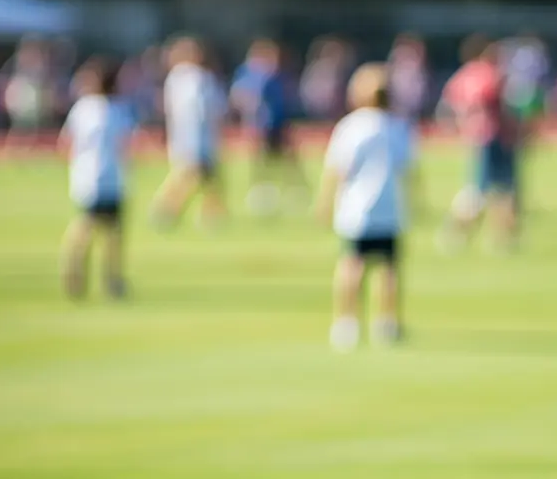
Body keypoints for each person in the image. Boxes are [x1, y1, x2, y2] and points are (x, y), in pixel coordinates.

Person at [316, 63, 417, 352]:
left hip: (356, 208)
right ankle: (387, 323)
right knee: (388, 268)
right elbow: (406, 168)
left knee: (352, 264)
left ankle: (347, 322)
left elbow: (337, 170)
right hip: (388, 207)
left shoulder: (351, 126)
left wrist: (325, 204)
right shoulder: (397, 126)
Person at [58, 59, 136, 301]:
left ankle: (75, 271)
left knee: (86, 225)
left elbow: (65, 143)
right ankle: (112, 279)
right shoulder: (117, 110)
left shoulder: (82, 108)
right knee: (112, 232)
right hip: (111, 176)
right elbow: (126, 143)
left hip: (85, 176)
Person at [437, 36, 521, 254]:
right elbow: (496, 105)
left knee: (487, 190)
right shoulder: (490, 75)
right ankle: (494, 238)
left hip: (477, 136)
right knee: (496, 190)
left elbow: (448, 105)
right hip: (494, 137)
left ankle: (495, 238)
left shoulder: (463, 75)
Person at [151, 38, 228, 230]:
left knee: (208, 179)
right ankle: (165, 210)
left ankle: (211, 216)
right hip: (197, 136)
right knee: (189, 176)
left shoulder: (176, 78)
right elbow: (203, 110)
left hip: (184, 135)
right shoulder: (198, 78)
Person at [231, 39, 307, 216]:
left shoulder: (276, 75)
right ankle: (261, 192)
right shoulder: (249, 75)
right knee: (261, 162)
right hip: (260, 126)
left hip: (278, 124)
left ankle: (295, 191)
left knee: (289, 160)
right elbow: (239, 96)